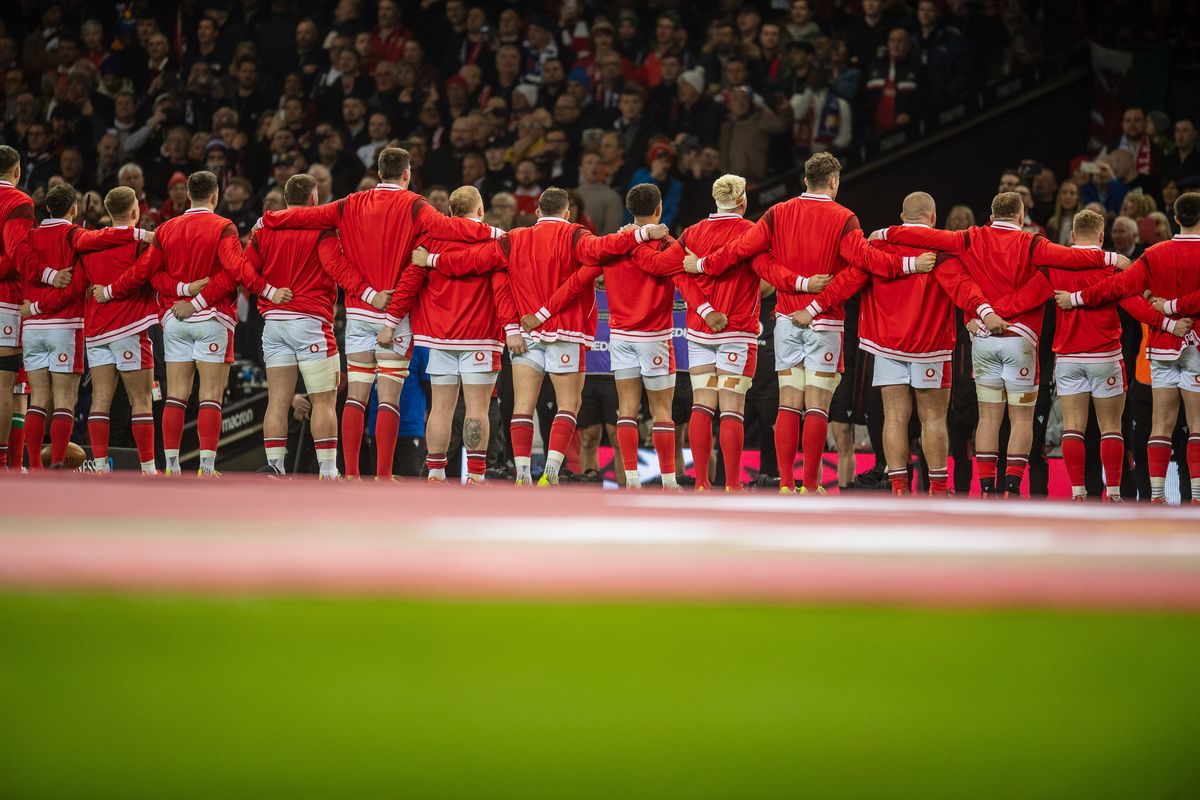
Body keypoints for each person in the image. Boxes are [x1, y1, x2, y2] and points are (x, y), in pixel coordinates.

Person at [683, 154, 936, 494]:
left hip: (787, 320)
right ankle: (811, 484)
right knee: (816, 404)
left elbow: (747, 251)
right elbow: (864, 262)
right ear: (833, 181)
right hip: (824, 322)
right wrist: (909, 264)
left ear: (805, 180)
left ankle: (787, 484)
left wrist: (704, 264)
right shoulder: (844, 217)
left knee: (788, 402)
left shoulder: (777, 212)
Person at [259, 147, 500, 479]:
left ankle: (353, 474)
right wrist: (496, 235)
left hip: (359, 310)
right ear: (406, 173)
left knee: (356, 394)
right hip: (395, 314)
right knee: (388, 397)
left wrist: (268, 219)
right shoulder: (417, 206)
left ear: (378, 170)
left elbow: (305, 216)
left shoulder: (350, 203)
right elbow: (451, 229)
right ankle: (384, 476)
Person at [412, 186, 669, 486]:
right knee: (568, 404)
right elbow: (604, 248)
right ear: (567, 213)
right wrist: (640, 234)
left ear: (536, 212)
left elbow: (474, 260)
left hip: (526, 331)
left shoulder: (515, 238)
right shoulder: (576, 235)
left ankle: (521, 471)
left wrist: (432, 261)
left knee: (522, 405)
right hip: (566, 330)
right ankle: (551, 469)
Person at [877, 190, 1126, 497]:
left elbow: (930, 239)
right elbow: (1070, 257)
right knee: (1020, 419)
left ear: (992, 216)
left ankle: (984, 488)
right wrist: (1111, 257)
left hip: (983, 338)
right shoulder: (1032, 242)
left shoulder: (971, 238)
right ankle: (1010, 488)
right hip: (1019, 339)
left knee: (989, 418)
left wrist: (887, 232)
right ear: (1021, 218)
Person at [798, 192, 1002, 495]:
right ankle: (937, 487)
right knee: (932, 418)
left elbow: (850, 280)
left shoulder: (879, 245)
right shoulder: (941, 248)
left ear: (902, 216)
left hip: (887, 344)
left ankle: (897, 486)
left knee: (894, 416)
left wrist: (813, 308)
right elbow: (962, 287)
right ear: (932, 217)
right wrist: (987, 313)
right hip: (930, 345)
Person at [535, 183, 713, 490]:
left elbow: (579, 279)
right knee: (662, 413)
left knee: (627, 410)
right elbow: (685, 280)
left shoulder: (614, 244)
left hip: (619, 337)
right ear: (659, 209)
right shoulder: (667, 244)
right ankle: (669, 480)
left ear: (629, 210)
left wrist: (542, 312)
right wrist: (708, 311)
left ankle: (631, 479)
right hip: (655, 337)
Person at [93, 171, 260, 477]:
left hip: (174, 320)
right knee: (210, 394)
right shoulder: (223, 226)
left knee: (176, 395)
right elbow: (233, 272)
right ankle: (206, 467)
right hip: (212, 317)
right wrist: (197, 299)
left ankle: (171, 466)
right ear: (214, 196)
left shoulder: (167, 228)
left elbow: (147, 273)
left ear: (187, 196)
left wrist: (110, 291)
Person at [1059, 192, 1200, 504]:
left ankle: (1158, 497)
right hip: (1195, 346)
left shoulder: (1155, 253)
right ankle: (1197, 499)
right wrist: (1175, 310)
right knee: (1197, 426)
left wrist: (1076, 298)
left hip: (1162, 348)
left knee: (1160, 425)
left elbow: (1119, 288)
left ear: (1175, 218)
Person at [662, 174, 800, 492]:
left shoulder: (693, 232)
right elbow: (767, 278)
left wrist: (705, 309)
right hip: (737, 332)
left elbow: (671, 269)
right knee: (731, 408)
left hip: (699, 332)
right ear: (742, 201)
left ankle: (700, 483)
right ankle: (733, 484)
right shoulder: (751, 233)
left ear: (716, 199)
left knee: (702, 405)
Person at [244, 174, 386, 479]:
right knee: (324, 399)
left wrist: (267, 291)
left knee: (277, 401)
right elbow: (338, 268)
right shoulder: (320, 231)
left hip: (273, 323)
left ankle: (275, 466)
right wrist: (370, 295)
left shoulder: (263, 230)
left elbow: (244, 271)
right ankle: (328, 469)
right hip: (310, 324)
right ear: (314, 200)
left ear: (285, 199)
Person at [379, 185, 517, 485]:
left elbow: (408, 283)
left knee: (440, 407)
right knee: (478, 407)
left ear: (451, 212)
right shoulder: (496, 240)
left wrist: (390, 323)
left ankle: (436, 472)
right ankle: (477, 476)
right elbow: (504, 289)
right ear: (480, 211)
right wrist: (512, 328)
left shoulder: (430, 242)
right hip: (481, 336)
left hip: (438, 337)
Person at [1045, 209, 1169, 501]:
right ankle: (1112, 493)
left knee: (1073, 426)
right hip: (1105, 355)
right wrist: (1166, 322)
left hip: (1069, 356)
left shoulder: (1057, 263)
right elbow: (1134, 305)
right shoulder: (1111, 266)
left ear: (1072, 236)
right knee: (1110, 428)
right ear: (1102, 237)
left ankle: (1077, 493)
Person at [21, 184, 143, 470]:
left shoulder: (30, 236)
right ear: (74, 209)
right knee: (64, 398)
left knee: (37, 397)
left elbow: (24, 267)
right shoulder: (75, 235)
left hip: (31, 327)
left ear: (47, 208)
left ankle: (35, 465)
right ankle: (59, 461)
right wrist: (143, 234)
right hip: (65, 326)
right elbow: (104, 242)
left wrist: (35, 308)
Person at [75, 187, 158, 473]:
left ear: (109, 213)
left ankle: (99, 466)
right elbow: (147, 275)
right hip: (129, 326)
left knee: (100, 398)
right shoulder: (141, 244)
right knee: (141, 400)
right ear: (135, 212)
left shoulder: (90, 244)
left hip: (97, 329)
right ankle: (148, 470)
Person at [0, 145, 39, 468]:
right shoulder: (18, 202)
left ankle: (14, 463)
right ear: (17, 172)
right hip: (5, 300)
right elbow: (16, 255)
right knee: (6, 384)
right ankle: (5, 464)